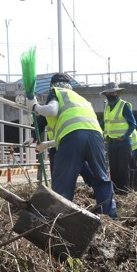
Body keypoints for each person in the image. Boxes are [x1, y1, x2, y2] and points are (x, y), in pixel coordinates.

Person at [26, 73, 117, 218]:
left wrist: (35, 106)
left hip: (73, 139)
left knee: (63, 184)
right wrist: (39, 140)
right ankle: (110, 218)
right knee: (102, 178)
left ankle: (61, 220)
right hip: (96, 137)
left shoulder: (56, 92)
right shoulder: (81, 99)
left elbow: (51, 110)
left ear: (52, 85)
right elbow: (61, 123)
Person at [100, 82, 137, 195]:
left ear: (117, 92)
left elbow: (133, 124)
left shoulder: (124, 105)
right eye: (108, 92)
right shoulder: (106, 106)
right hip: (111, 143)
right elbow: (105, 122)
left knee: (123, 169)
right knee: (114, 169)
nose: (111, 94)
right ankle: (115, 192)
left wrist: (124, 137)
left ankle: (124, 192)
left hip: (123, 143)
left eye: (113, 92)